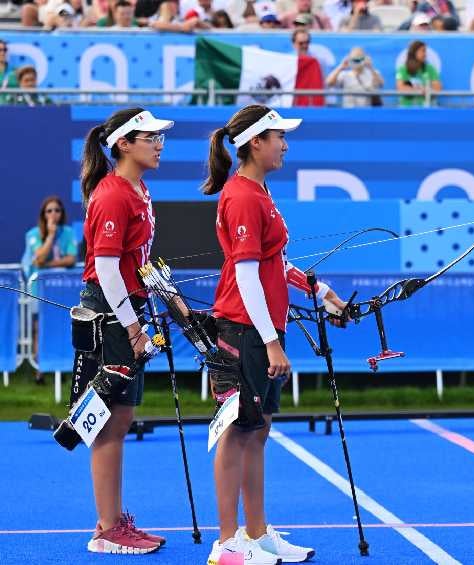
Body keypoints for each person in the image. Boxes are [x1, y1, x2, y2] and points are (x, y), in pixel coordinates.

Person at [202, 104, 351, 565]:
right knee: (238, 431)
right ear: (255, 143)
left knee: (257, 431)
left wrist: (322, 291)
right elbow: (246, 275)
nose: (285, 145)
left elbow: (273, 263)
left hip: (261, 329)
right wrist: (269, 341)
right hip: (244, 329)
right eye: (278, 137)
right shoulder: (243, 196)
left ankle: (257, 531)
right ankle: (227, 542)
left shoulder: (260, 191)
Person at [75, 107, 174, 555]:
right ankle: (107, 527)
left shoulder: (138, 188)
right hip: (113, 315)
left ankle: (113, 520)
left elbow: (134, 264)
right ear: (123, 144)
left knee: (121, 419)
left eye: (159, 136)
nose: (158, 143)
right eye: (149, 136)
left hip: (128, 309)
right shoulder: (113, 193)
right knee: (111, 424)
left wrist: (159, 293)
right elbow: (107, 269)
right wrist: (134, 327)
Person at [22, 196, 78, 385]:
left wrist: (49, 265)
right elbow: (38, 259)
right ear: (43, 214)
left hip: (62, 290)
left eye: (57, 210)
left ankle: (62, 366)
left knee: (64, 328)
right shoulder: (32, 234)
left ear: (62, 213)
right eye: (49, 211)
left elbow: (71, 258)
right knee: (39, 328)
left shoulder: (69, 232)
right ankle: (40, 369)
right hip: (40, 290)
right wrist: (51, 235)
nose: (53, 214)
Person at [396, 40, 441, 107]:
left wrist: (428, 90)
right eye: (422, 51)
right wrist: (419, 90)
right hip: (407, 109)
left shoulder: (430, 68)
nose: (425, 54)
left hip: (427, 108)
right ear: (414, 52)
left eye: (425, 51)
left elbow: (437, 88)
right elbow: (400, 87)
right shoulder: (403, 69)